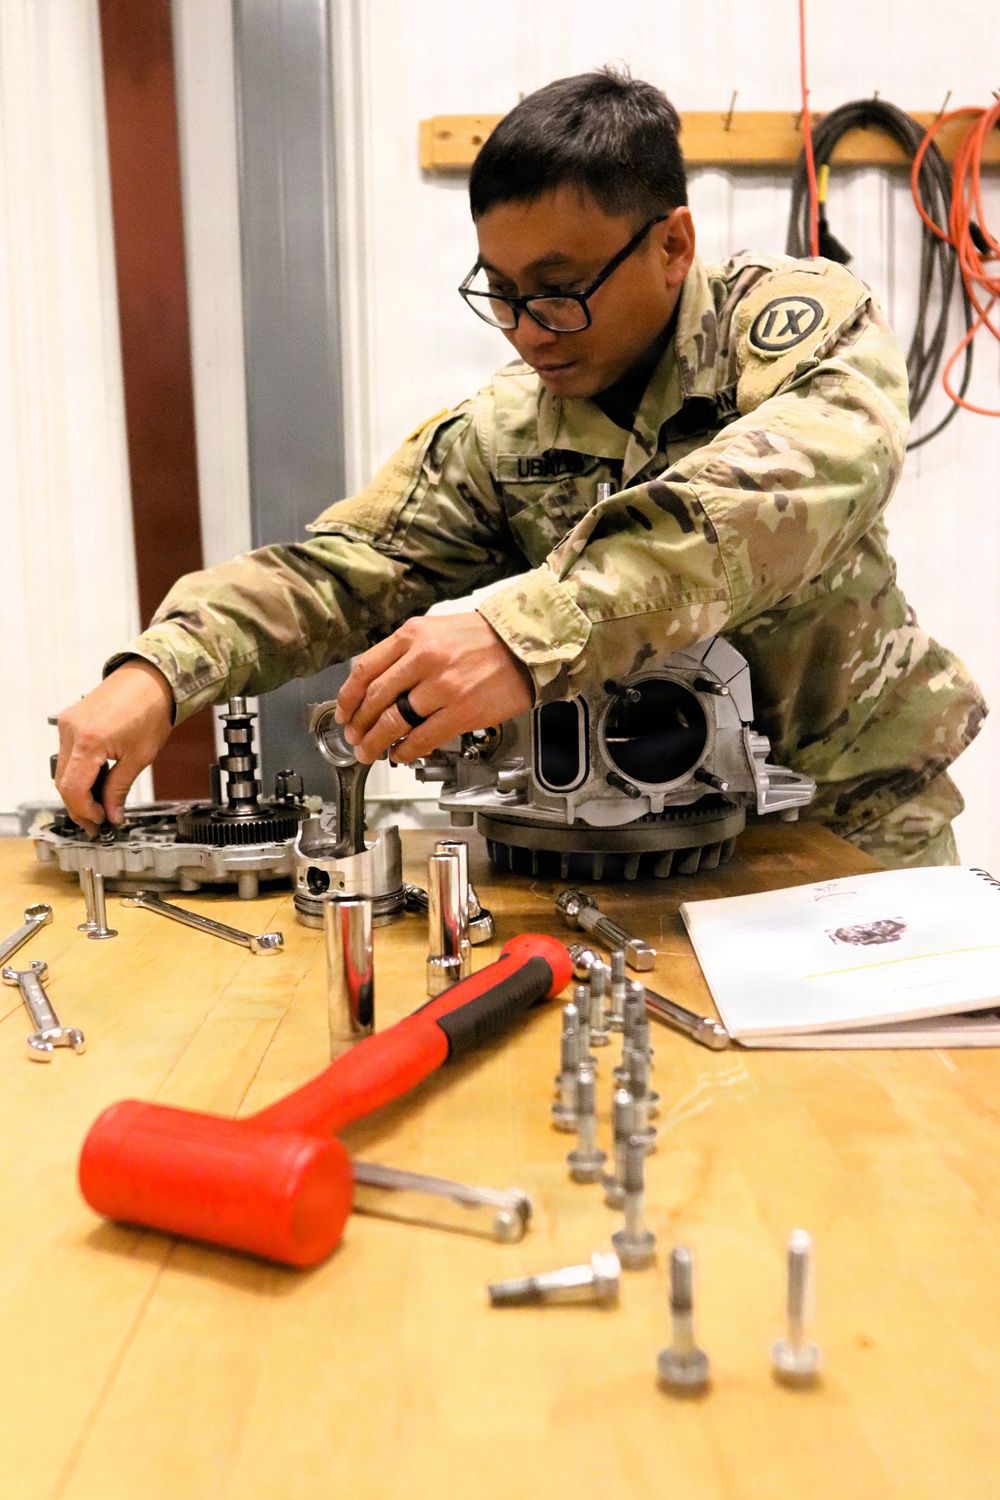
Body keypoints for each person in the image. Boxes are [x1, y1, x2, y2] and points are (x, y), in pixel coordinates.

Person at [56, 68, 985, 867]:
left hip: (853, 828)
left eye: (559, 291)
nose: (527, 329)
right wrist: (161, 668)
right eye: (498, 293)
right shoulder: (504, 434)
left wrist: (525, 630)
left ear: (672, 245)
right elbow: (342, 573)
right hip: (625, 851)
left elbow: (794, 488)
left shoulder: (788, 329)